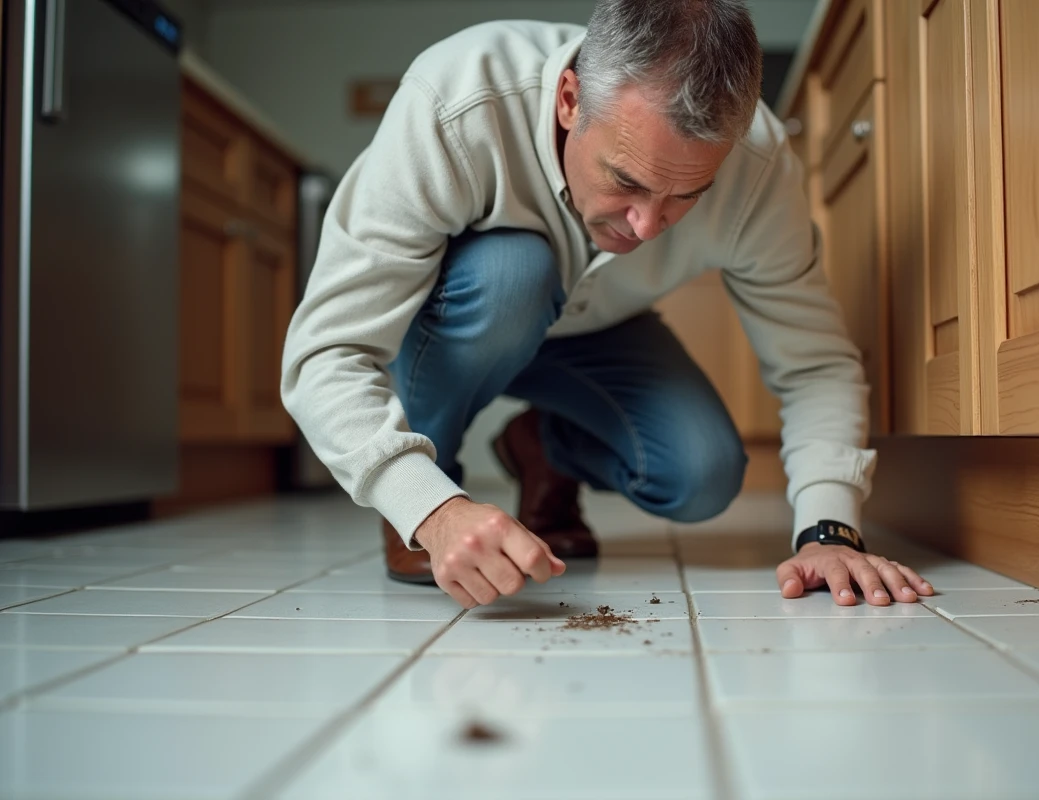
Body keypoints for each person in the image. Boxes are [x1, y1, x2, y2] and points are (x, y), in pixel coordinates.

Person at [281, 0, 933, 609]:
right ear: (570, 101)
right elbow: (324, 354)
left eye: (687, 195)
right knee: (515, 272)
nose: (647, 228)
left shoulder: (760, 171)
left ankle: (542, 447)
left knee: (704, 473)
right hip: (473, 314)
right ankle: (437, 478)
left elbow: (815, 362)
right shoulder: (456, 100)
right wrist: (427, 504)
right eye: (626, 181)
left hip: (597, 333)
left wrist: (829, 526)